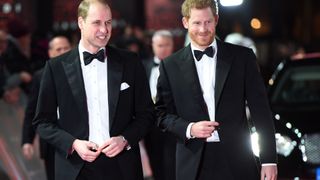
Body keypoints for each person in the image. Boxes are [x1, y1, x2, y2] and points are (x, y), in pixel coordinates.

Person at [155, 0, 278, 180]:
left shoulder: (242, 57)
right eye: (197, 23)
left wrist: (269, 160)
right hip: (192, 164)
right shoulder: (170, 65)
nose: (203, 29)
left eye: (208, 22)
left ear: (216, 20)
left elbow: (261, 110)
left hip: (238, 161)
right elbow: (161, 114)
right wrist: (190, 128)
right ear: (185, 22)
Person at [32, 0, 154, 180]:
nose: (104, 30)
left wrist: (125, 139)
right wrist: (73, 144)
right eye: (97, 23)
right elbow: (42, 122)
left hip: (122, 167)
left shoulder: (130, 62)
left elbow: (147, 114)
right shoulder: (56, 67)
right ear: (81, 23)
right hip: (75, 168)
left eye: (108, 23)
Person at [21, 35, 72, 180]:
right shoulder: (40, 76)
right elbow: (32, 111)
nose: (63, 52)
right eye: (58, 49)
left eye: (66, 48)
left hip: (80, 138)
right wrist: (27, 140)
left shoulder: (84, 72)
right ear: (50, 53)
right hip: (52, 143)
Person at [143, 30, 176, 180]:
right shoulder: (143, 66)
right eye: (160, 45)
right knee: (155, 161)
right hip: (150, 124)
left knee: (173, 163)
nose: (163, 48)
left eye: (167, 45)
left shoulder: (180, 66)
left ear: (173, 45)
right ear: (153, 45)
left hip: (174, 122)